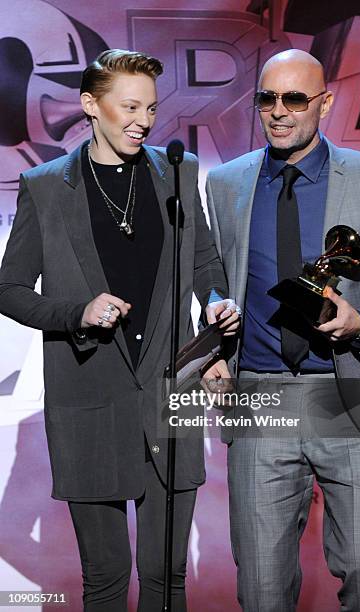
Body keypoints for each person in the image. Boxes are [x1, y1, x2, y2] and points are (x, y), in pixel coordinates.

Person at [0, 49, 239, 611]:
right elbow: (8, 290)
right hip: (89, 408)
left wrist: (214, 303)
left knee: (166, 581)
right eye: (129, 106)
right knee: (105, 582)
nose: (144, 120)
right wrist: (76, 313)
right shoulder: (43, 187)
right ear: (90, 105)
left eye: (151, 108)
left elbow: (205, 263)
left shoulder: (177, 171)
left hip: (169, 400)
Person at [205, 49, 360, 611]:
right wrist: (214, 331)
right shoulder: (225, 184)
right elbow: (216, 281)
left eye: (294, 98)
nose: (278, 112)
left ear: (326, 102)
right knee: (263, 588)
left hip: (350, 394)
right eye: (267, 99)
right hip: (261, 396)